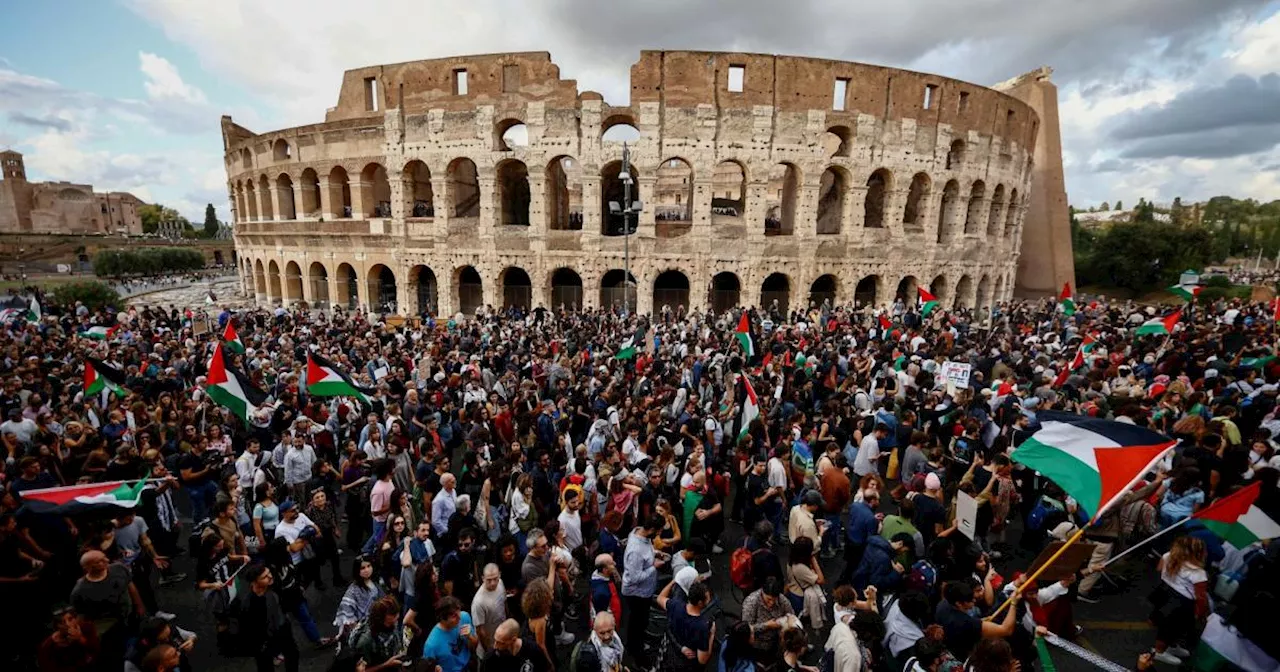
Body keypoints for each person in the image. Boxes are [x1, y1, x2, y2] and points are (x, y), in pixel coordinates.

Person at [226, 564, 299, 672]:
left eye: (269, 573)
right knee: (265, 666)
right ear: (254, 582)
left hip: (282, 629)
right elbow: (244, 627)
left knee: (293, 654)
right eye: (265, 577)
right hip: (263, 640)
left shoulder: (273, 586)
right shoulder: (246, 603)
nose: (270, 577)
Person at [1149, 535, 1209, 665]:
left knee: (1168, 624)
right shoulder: (1198, 572)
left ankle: (1170, 646)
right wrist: (1200, 613)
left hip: (1164, 592)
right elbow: (1201, 597)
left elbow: (1159, 569)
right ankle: (1159, 652)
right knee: (1171, 627)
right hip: (1182, 602)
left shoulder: (1167, 556)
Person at [933, 580, 1019, 661]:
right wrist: (1013, 603)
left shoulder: (942, 605)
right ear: (958, 603)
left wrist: (980, 621)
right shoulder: (965, 623)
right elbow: (1006, 630)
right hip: (972, 654)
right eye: (970, 601)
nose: (974, 601)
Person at [620, 515, 666, 662]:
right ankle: (635, 651)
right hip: (636, 594)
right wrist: (654, 567)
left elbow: (647, 549)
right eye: (658, 532)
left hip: (645, 590)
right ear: (651, 529)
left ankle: (637, 642)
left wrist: (654, 553)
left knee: (642, 620)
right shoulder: (635, 551)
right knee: (637, 623)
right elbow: (635, 578)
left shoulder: (639, 532)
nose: (659, 535)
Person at [656, 578, 715, 672]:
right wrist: (711, 635)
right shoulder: (701, 627)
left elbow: (660, 598)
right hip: (687, 666)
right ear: (700, 603)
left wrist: (673, 581)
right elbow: (702, 660)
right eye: (707, 598)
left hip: (670, 655)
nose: (709, 599)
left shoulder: (676, 605)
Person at [741, 576, 795, 661]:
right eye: (769, 599)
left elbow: (792, 616)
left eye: (774, 600)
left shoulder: (782, 600)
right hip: (759, 646)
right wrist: (766, 625)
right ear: (762, 592)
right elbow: (746, 629)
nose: (771, 603)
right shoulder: (751, 603)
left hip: (778, 643)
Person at [423, 596, 477, 672]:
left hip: (469, 666)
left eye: (459, 612)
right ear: (442, 618)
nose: (459, 618)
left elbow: (474, 646)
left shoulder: (464, 617)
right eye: (454, 616)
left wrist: (469, 637)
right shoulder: (431, 645)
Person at [483, 619, 549, 672]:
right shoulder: (491, 658)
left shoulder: (533, 650)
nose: (495, 646)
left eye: (501, 643)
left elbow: (543, 668)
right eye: (495, 640)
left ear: (513, 639)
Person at [470, 563, 507, 657]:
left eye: (495, 578)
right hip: (489, 646)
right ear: (483, 578)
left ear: (500, 575)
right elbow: (480, 631)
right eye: (489, 580)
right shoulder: (478, 602)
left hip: (503, 639)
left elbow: (504, 603)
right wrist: (488, 652)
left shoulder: (501, 583)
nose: (493, 583)